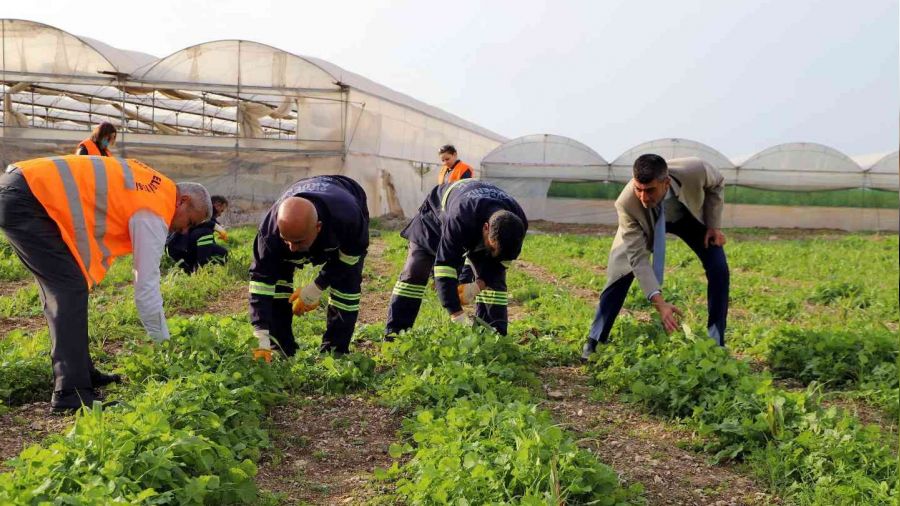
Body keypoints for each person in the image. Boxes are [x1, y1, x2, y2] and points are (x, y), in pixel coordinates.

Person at [0, 155, 211, 411]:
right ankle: (71, 393)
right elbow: (146, 287)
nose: (185, 231)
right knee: (68, 289)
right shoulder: (154, 209)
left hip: (24, 188)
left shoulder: (155, 187)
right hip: (29, 198)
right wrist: (164, 346)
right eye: (189, 222)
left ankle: (81, 373)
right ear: (184, 201)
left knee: (69, 288)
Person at [581, 154, 729, 361]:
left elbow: (717, 184)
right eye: (638, 189)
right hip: (644, 224)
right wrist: (660, 303)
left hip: (688, 216)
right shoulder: (627, 204)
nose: (643, 197)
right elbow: (638, 260)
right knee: (620, 272)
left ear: (666, 183)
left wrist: (714, 225)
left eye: (649, 190)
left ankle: (716, 342)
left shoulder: (696, 169)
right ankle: (594, 341)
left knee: (719, 268)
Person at [385, 179, 527, 337]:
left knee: (496, 282)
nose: (493, 253)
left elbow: (500, 262)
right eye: (492, 247)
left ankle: (493, 337)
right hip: (435, 219)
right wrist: (456, 313)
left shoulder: (517, 221)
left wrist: (479, 284)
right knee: (416, 269)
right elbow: (444, 266)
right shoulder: (461, 215)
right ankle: (396, 335)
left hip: (477, 220)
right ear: (486, 228)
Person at [249, 175, 369, 360]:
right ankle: (280, 346)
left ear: (318, 227)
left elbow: (350, 257)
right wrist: (260, 334)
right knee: (278, 285)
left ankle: (335, 351)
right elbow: (261, 282)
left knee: (347, 287)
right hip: (303, 196)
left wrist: (317, 286)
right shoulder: (269, 233)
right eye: (286, 240)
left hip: (347, 194)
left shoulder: (348, 218)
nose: (292, 248)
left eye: (298, 242)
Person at [166, 195, 229, 273]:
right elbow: (202, 223)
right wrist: (218, 228)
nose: (220, 214)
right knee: (205, 232)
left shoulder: (208, 218)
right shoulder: (200, 211)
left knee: (223, 253)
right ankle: (202, 268)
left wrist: (218, 227)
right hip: (179, 248)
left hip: (185, 248)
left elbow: (208, 224)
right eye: (221, 210)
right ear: (217, 204)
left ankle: (198, 270)